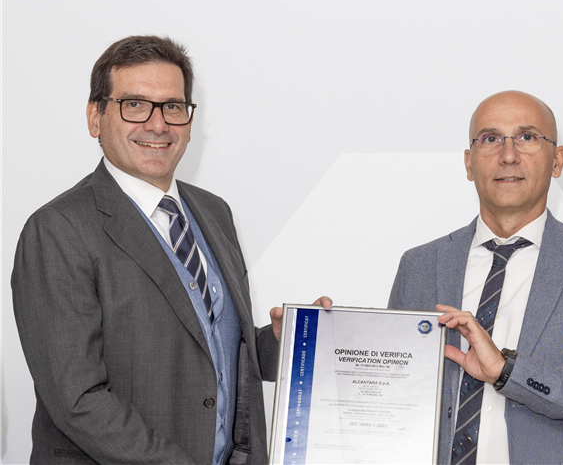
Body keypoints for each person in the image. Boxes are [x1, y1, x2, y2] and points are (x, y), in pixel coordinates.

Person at [11, 35, 329, 465]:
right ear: (95, 117)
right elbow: (78, 399)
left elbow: (211, 348)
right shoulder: (58, 229)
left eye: (173, 107)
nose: (158, 124)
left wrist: (277, 344)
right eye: (135, 105)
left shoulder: (213, 211)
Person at [388, 91, 563, 464]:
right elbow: (391, 390)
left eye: (527, 137)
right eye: (491, 138)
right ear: (469, 163)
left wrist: (509, 372)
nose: (508, 155)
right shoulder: (420, 264)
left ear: (557, 160)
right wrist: (315, 341)